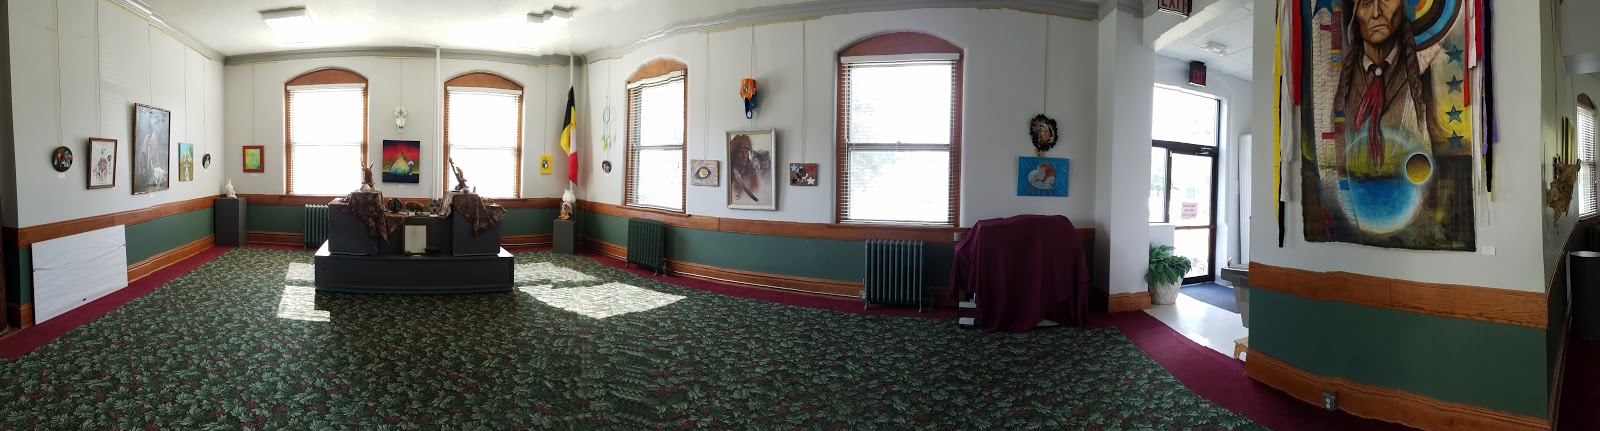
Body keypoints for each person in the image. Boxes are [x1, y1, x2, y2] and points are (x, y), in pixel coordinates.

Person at [1332, 0, 1447, 170]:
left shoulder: (1431, 66)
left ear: (1403, 6)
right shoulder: (1342, 80)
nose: (1376, 13)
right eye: (1366, 3)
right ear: (1355, 15)